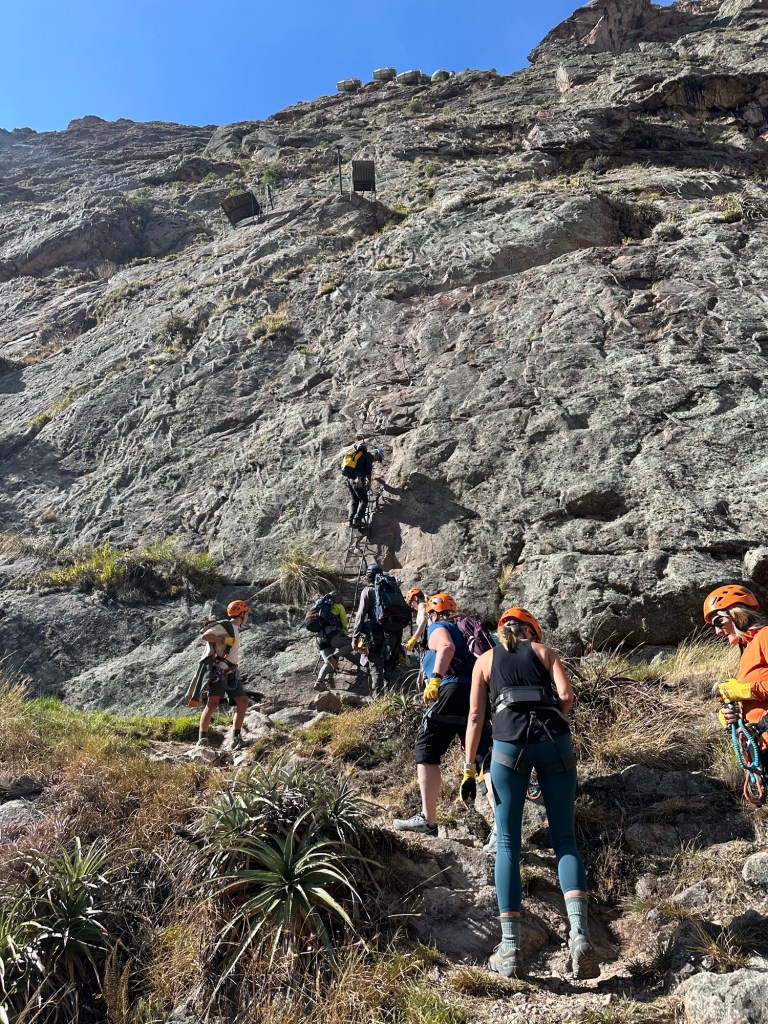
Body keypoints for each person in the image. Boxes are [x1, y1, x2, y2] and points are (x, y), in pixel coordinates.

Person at [464, 606, 599, 981]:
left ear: (501, 631)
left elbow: (476, 717)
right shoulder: (544, 652)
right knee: (565, 840)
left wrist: (468, 766)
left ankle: (509, 948)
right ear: (531, 632)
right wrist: (554, 716)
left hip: (508, 747)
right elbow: (567, 695)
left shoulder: (485, 661)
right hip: (555, 740)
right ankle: (580, 937)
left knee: (508, 843)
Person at [393, 592, 492, 837]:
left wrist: (435, 680)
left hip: (451, 688)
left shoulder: (438, 626)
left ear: (433, 614)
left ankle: (428, 820)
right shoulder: (465, 630)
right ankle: (501, 828)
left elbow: (446, 647)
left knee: (426, 749)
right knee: (484, 759)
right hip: (478, 694)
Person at [704, 585, 768, 786]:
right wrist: (734, 715)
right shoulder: (746, 651)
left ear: (737, 613)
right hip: (760, 745)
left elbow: (757, 690)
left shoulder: (765, 635)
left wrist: (743, 690)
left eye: (718, 621)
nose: (717, 631)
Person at [197, 599, 251, 750]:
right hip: (220, 672)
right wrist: (223, 639)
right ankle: (202, 739)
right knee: (212, 703)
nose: (248, 616)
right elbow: (205, 636)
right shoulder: (225, 625)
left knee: (243, 702)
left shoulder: (235, 628)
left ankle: (236, 737)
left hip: (231, 672)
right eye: (247, 613)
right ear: (241, 613)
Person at [352, 563, 404, 697]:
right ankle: (391, 695)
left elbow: (360, 614)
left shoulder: (368, 590)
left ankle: (378, 701)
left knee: (376, 667)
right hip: (394, 634)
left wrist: (355, 637)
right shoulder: (393, 589)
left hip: (375, 635)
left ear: (368, 577)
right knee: (389, 665)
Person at [315, 593, 357, 690]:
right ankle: (334, 657)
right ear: (337, 599)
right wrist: (345, 635)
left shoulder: (320, 608)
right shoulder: (339, 607)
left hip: (319, 638)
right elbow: (344, 622)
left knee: (328, 662)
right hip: (332, 633)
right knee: (351, 645)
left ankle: (319, 681)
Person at [344, 444, 384, 529]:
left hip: (350, 480)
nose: (376, 460)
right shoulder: (369, 456)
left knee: (355, 500)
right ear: (376, 454)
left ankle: (351, 521)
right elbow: (368, 472)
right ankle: (357, 519)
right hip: (357, 480)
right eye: (378, 458)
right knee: (364, 500)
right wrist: (369, 482)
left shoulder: (362, 456)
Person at [404, 587, 428, 652]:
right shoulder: (425, 605)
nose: (411, 606)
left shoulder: (421, 605)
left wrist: (414, 638)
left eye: (411, 602)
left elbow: (424, 621)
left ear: (415, 598)